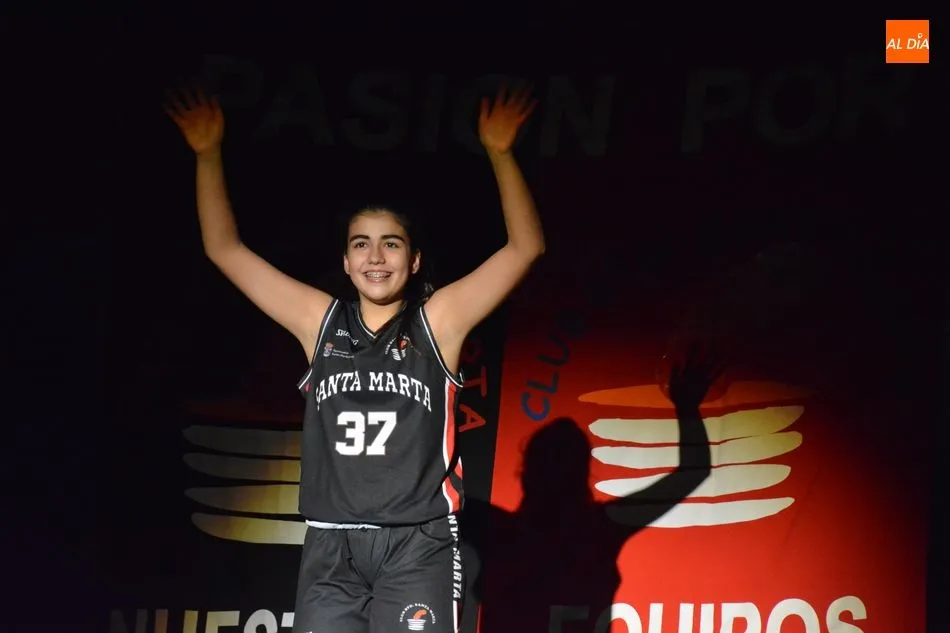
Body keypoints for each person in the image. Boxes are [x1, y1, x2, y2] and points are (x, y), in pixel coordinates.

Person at [165, 82, 544, 633]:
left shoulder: (439, 321)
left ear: (414, 260)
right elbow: (225, 250)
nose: (376, 256)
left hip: (417, 544)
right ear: (345, 261)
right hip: (332, 544)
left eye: (391, 242)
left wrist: (501, 153)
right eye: (361, 243)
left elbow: (525, 249)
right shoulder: (319, 322)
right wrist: (207, 154)